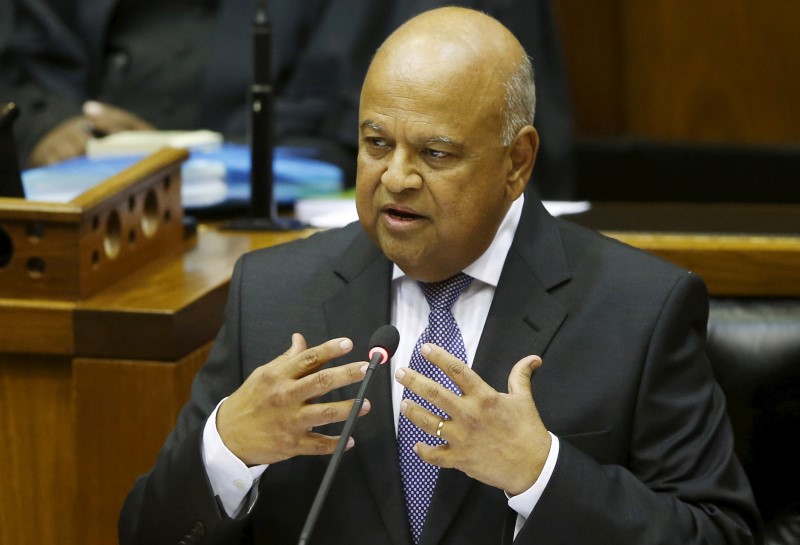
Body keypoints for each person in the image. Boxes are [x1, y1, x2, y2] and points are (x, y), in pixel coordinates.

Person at [119, 7, 759, 545]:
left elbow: (720, 532)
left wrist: (543, 473)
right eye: (376, 144)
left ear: (517, 162)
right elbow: (146, 533)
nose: (396, 177)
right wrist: (228, 451)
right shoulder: (272, 293)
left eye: (436, 153)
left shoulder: (639, 310)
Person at [0, 0, 575, 199]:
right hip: (82, 206)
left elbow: (409, 112)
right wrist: (45, 127)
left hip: (293, 214)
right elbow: (22, 52)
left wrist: (197, 160)